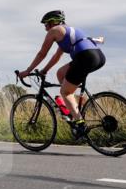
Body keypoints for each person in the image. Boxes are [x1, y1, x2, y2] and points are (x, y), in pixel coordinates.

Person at [18, 10, 106, 139]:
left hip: (85, 57)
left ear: (53, 22)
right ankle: (74, 108)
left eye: (46, 25)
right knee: (61, 73)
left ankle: (80, 124)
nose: (45, 28)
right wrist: (44, 70)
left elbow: (42, 54)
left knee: (65, 92)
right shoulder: (67, 32)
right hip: (98, 56)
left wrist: (27, 71)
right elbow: (56, 56)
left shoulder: (54, 31)